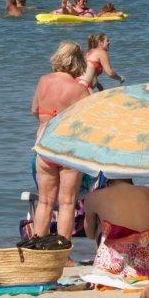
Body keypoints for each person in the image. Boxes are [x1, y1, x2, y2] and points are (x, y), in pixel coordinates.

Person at [28, 42, 90, 243]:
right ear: (77, 62)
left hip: (44, 145)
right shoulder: (80, 89)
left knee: (45, 201)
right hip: (68, 149)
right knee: (67, 203)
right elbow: (89, 121)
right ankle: (62, 252)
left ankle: (38, 248)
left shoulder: (43, 81)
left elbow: (34, 110)